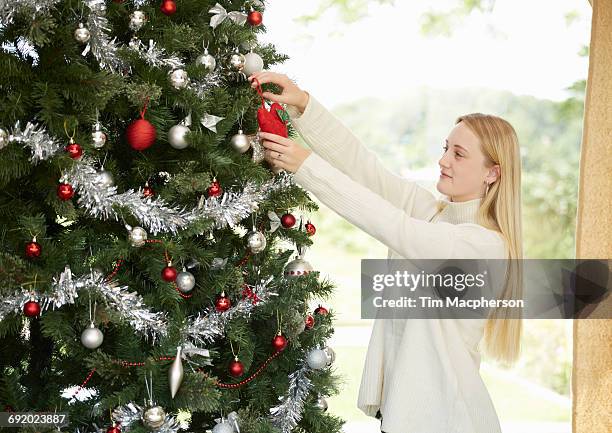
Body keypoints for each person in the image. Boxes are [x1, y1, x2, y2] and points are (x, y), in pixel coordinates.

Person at [248, 71, 523, 433]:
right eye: (445, 148)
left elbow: (395, 227)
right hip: (403, 416)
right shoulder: (433, 213)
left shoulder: (484, 246)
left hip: (447, 420)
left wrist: (306, 166)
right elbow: (367, 171)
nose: (444, 161)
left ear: (492, 174)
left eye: (459, 154)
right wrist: (303, 104)